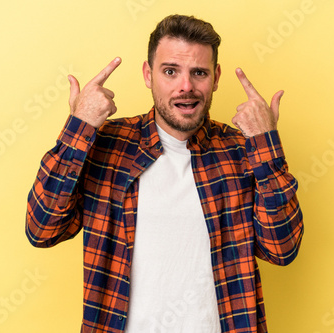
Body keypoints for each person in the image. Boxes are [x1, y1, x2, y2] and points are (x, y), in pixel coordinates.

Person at [26, 14, 303, 333]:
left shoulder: (242, 150)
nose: (186, 86)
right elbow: (41, 229)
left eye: (199, 72)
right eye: (170, 71)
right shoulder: (107, 145)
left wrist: (265, 144)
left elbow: (282, 249)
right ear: (148, 74)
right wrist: (80, 127)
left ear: (215, 78)